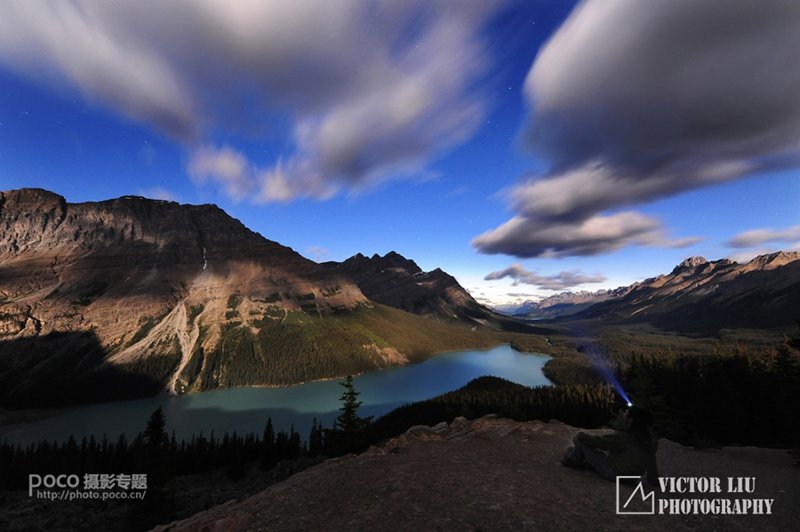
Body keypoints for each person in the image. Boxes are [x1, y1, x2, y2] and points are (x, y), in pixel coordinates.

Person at [561, 405, 659, 484]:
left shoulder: (624, 437)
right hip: (631, 479)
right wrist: (653, 479)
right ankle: (583, 460)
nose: (624, 413)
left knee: (582, 444)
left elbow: (599, 442)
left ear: (630, 420)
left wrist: (580, 435)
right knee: (601, 456)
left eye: (626, 412)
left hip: (613, 472)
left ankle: (571, 461)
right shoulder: (648, 441)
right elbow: (651, 462)